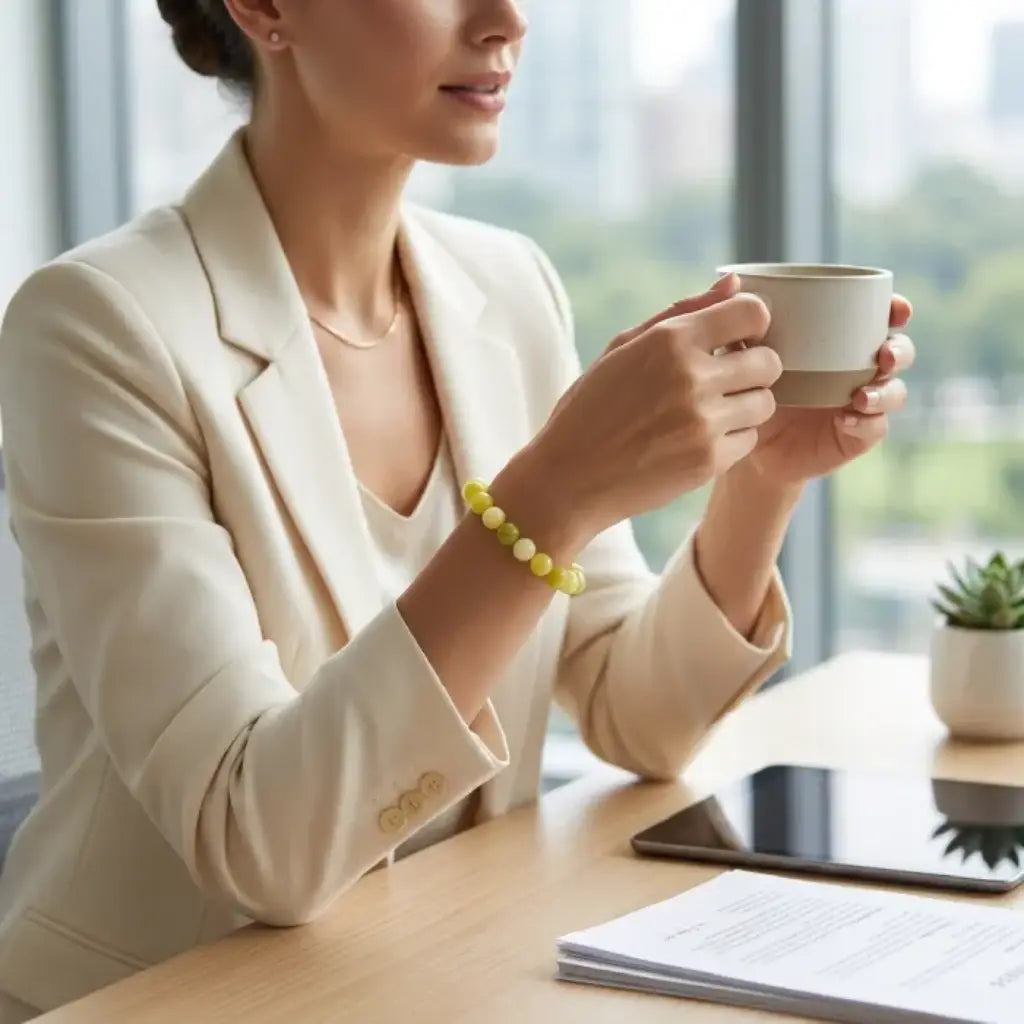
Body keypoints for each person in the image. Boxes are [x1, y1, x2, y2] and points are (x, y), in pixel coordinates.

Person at [0, 1, 915, 1018]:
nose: (505, 19)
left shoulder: (507, 285)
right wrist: (553, 494)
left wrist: (761, 474)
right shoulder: (96, 328)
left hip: (436, 976)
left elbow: (637, 714)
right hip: (163, 997)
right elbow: (258, 841)